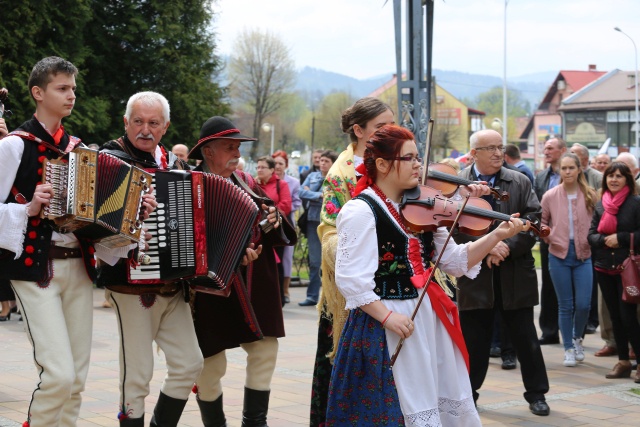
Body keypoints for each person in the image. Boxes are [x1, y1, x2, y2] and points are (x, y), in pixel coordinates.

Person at [325, 124, 529, 425]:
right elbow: (351, 279)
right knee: (396, 403)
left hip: (426, 316)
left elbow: (455, 261)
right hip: (386, 321)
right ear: (382, 164)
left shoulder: (423, 206)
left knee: (434, 397)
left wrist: (496, 235)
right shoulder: (360, 211)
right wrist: (386, 316)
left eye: (418, 157)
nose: (418, 165)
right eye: (409, 158)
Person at [0, 56, 103, 427]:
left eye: (73, 88)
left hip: (79, 265)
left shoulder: (79, 149)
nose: (71, 95)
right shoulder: (13, 146)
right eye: (62, 88)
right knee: (58, 374)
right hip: (33, 268)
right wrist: (27, 208)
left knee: (76, 378)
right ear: (38, 93)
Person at [96, 91, 203, 427]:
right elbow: (91, 224)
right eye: (138, 121)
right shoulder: (108, 159)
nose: (145, 129)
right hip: (130, 286)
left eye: (153, 123)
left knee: (189, 363)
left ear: (165, 126)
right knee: (137, 375)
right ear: (126, 122)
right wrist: (129, 212)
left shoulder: (176, 166)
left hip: (173, 285)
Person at [188, 116, 296, 427]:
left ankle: (254, 423)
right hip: (209, 290)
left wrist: (272, 219)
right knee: (211, 364)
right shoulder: (187, 186)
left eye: (238, 147)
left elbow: (267, 228)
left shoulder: (248, 183)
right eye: (229, 147)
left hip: (252, 283)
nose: (237, 153)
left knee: (265, 349)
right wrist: (231, 254)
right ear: (208, 152)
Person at [310, 97, 394, 427]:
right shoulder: (341, 173)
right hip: (352, 290)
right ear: (358, 131)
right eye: (380, 127)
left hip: (391, 280)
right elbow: (329, 230)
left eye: (392, 123)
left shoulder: (393, 160)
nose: (390, 131)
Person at [457, 129, 551, 416]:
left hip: (513, 274)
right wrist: (484, 247)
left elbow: (534, 219)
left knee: (526, 340)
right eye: (490, 148)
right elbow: (449, 227)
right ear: (474, 153)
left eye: (500, 147)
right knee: (473, 342)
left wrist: (506, 245)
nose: (498, 153)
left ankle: (537, 394)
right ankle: (468, 396)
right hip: (475, 276)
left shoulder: (519, 181)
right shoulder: (457, 183)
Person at [541, 153, 596, 367]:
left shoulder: (590, 195)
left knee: (583, 304)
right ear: (559, 171)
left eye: (571, 168)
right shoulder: (550, 195)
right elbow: (542, 224)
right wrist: (551, 237)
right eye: (563, 168)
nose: (567, 172)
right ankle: (568, 348)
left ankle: (577, 338)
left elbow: (597, 222)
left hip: (584, 254)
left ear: (579, 169)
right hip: (559, 254)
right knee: (565, 305)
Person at [588, 162, 640, 383]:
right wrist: (604, 240)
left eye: (619, 176)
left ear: (627, 179)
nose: (614, 179)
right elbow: (591, 235)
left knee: (628, 316)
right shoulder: (601, 204)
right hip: (603, 267)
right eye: (610, 176)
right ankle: (623, 362)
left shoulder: (636, 203)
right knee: (615, 317)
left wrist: (620, 239)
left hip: (626, 268)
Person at [534, 136, 567, 345]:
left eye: (550, 148)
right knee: (548, 285)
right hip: (548, 239)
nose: (546, 151)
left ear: (562, 150)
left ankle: (572, 332)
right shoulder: (541, 178)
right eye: (544, 148)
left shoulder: (572, 174)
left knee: (569, 287)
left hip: (571, 239)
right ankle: (549, 331)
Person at [298, 149, 337, 307]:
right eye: (321, 160)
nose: (322, 163)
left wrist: (312, 193)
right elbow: (300, 192)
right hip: (313, 221)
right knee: (314, 261)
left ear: (332, 163)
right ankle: (312, 296)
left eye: (326, 161)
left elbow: (332, 199)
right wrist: (319, 195)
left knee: (332, 261)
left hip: (330, 223)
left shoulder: (335, 178)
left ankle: (331, 297)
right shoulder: (312, 176)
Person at [273, 150, 301, 304]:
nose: (277, 166)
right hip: (272, 222)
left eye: (280, 164)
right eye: (275, 163)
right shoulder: (267, 180)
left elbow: (297, 202)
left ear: (286, 166)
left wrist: (286, 208)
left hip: (287, 222)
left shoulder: (293, 182)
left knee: (287, 259)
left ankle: (285, 289)